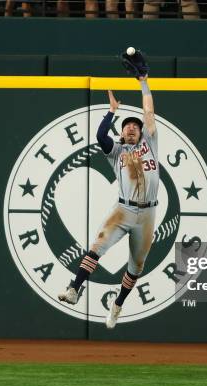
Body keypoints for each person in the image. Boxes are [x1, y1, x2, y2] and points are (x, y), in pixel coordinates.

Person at [58, 76, 158, 330]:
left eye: (136, 126)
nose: (132, 128)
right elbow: (101, 134)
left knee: (136, 267)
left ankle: (118, 305)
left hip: (147, 215)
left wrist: (143, 82)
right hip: (123, 210)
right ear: (122, 132)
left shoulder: (151, 144)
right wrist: (112, 112)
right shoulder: (116, 152)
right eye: (128, 127)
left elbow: (148, 110)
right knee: (98, 246)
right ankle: (74, 288)